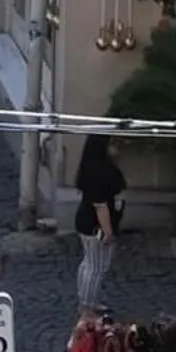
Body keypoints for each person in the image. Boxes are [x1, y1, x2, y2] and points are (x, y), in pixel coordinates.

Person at [74, 133, 127, 318]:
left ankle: (88, 300)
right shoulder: (100, 171)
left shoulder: (88, 166)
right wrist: (108, 232)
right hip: (95, 226)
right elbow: (100, 205)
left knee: (89, 262)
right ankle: (87, 306)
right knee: (96, 267)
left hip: (86, 222)